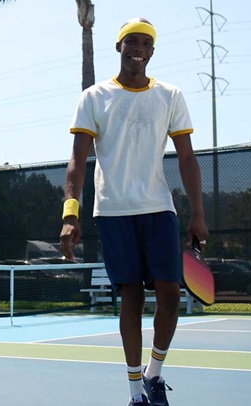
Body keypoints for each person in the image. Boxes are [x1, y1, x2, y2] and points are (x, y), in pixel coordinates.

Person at [59, 19, 209, 406]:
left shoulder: (170, 95)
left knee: (170, 294)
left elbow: (188, 158)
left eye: (146, 43)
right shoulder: (94, 97)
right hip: (112, 211)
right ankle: (134, 394)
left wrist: (197, 213)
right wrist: (70, 213)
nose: (138, 48)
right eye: (131, 42)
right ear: (119, 47)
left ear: (153, 51)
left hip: (159, 208)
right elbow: (77, 160)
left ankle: (153, 375)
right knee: (130, 297)